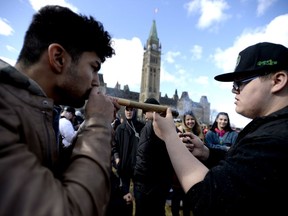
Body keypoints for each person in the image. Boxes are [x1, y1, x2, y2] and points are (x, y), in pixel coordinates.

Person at [0, 5, 119, 216]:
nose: (95, 83)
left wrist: (88, 127)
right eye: (93, 68)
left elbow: (48, 175)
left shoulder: (41, 109)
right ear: (58, 58)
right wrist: (98, 125)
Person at [151, 42, 288, 216]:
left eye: (240, 82)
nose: (234, 90)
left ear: (277, 81)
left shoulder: (275, 139)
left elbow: (211, 199)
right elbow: (244, 167)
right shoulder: (269, 128)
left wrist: (170, 135)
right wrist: (207, 153)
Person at [133, 98, 174, 216]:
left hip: (148, 184)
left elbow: (143, 157)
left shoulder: (152, 126)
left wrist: (138, 179)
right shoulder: (161, 127)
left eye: (146, 111)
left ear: (154, 111)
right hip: (155, 184)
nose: (144, 114)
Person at [112, 106, 145, 215]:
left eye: (131, 110)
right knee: (125, 197)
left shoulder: (142, 128)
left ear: (135, 111)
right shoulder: (120, 128)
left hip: (138, 168)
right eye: (127, 110)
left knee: (139, 197)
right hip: (124, 167)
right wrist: (117, 159)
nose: (129, 112)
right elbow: (114, 146)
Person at [171, 111, 204, 216]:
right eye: (188, 119)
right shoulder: (179, 131)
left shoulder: (199, 132)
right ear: (184, 121)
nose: (190, 121)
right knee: (176, 195)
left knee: (188, 197)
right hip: (180, 169)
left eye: (192, 119)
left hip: (193, 169)